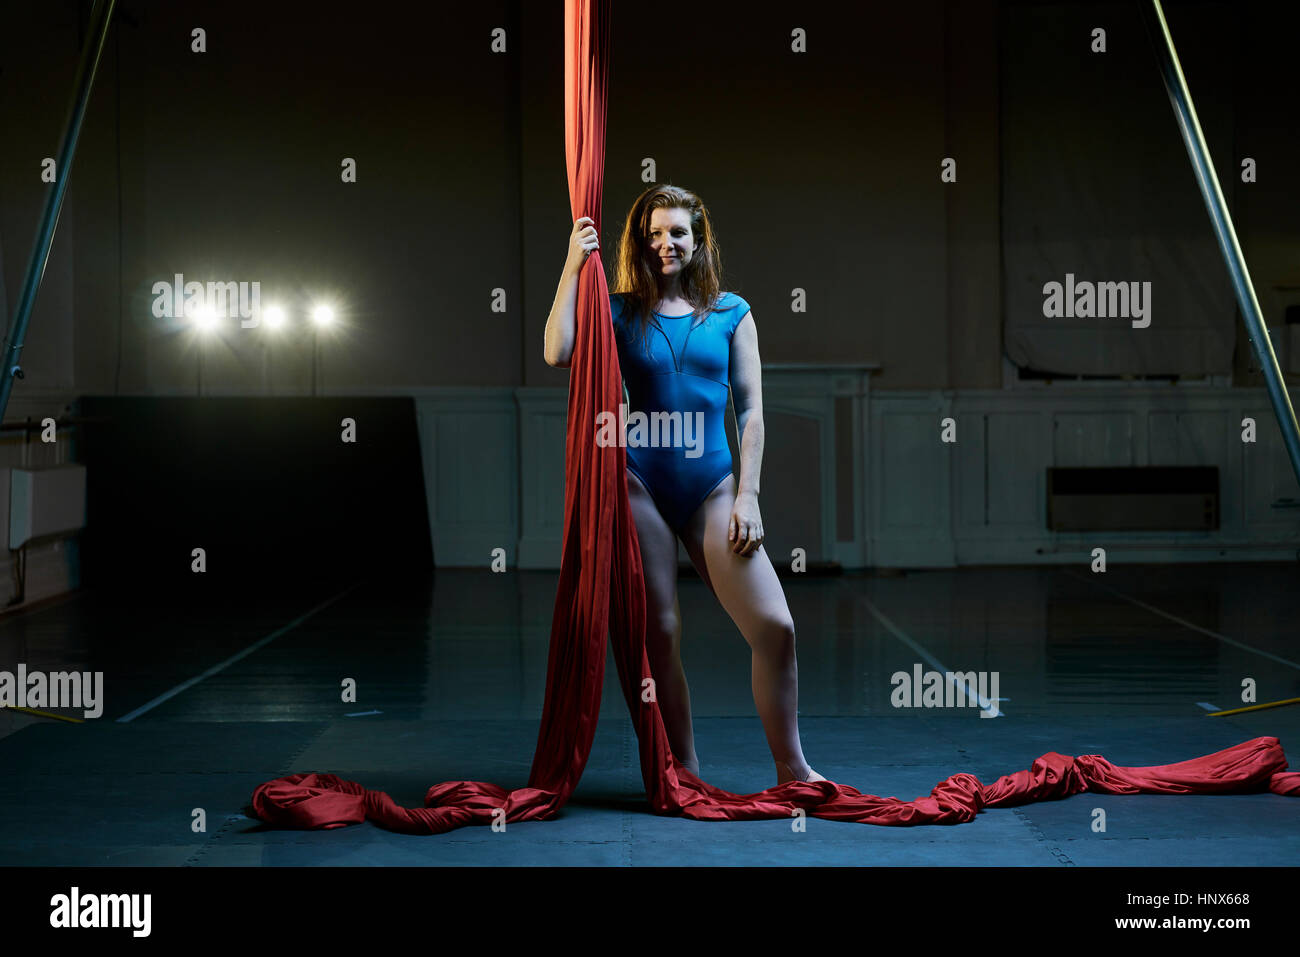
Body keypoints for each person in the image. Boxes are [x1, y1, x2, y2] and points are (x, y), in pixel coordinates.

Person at [543, 183, 824, 785]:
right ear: (639, 243)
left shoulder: (732, 312)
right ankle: (683, 769)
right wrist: (572, 263)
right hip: (639, 479)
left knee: (776, 628)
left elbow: (750, 410)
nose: (664, 243)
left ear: (698, 241)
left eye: (676, 232)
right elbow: (557, 349)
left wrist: (748, 495)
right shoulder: (615, 309)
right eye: (653, 233)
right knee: (661, 631)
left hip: (713, 483)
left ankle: (793, 768)